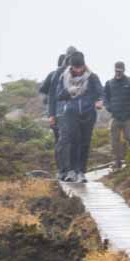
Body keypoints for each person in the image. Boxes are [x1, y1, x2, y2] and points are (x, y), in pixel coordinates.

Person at [48, 51, 103, 183]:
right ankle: (71, 171)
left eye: (80, 67)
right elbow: (58, 95)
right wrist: (68, 91)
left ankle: (81, 172)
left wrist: (99, 100)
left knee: (85, 142)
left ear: (84, 65)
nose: (78, 70)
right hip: (71, 113)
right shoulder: (63, 77)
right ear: (71, 66)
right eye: (75, 68)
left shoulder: (92, 77)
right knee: (73, 141)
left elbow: (101, 92)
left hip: (88, 113)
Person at [39, 47, 77, 179]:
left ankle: (69, 171)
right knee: (61, 143)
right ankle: (63, 170)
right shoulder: (54, 74)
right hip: (58, 113)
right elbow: (44, 91)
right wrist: (49, 108)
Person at [104, 61, 130, 168]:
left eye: (120, 70)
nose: (118, 72)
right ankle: (117, 162)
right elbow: (105, 98)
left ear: (124, 69)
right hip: (115, 117)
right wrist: (109, 108)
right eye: (117, 70)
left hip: (128, 117)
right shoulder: (109, 83)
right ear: (114, 70)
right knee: (114, 140)